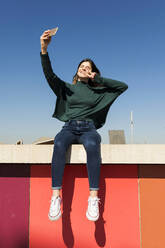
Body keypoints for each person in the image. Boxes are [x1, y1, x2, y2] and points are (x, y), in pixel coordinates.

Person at [40, 29, 128, 222]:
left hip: (89, 129)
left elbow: (122, 86)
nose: (84, 68)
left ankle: (93, 198)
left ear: (92, 72)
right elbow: (50, 75)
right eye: (81, 65)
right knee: (59, 144)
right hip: (69, 127)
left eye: (88, 67)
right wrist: (44, 50)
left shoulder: (99, 92)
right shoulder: (68, 89)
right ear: (77, 70)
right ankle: (55, 197)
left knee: (91, 145)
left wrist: (97, 79)